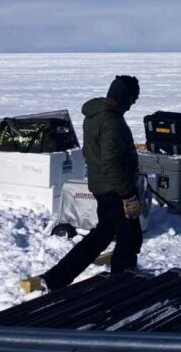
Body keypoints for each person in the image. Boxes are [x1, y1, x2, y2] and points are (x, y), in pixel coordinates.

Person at [42, 75, 143, 290]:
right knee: (128, 236)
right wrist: (127, 194)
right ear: (124, 97)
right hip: (115, 188)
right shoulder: (112, 121)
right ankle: (123, 281)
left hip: (101, 185)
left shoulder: (95, 115)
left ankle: (56, 278)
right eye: (132, 100)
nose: (132, 105)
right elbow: (112, 162)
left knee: (104, 233)